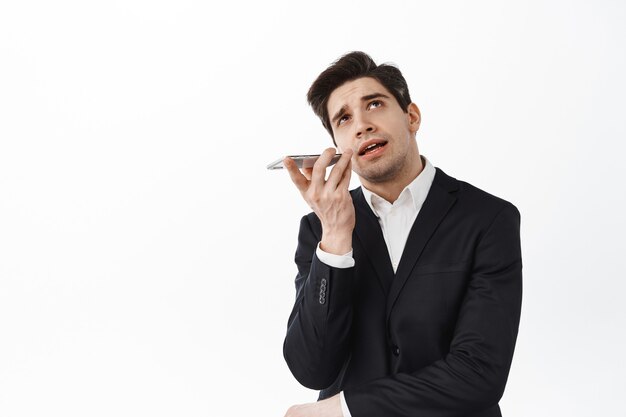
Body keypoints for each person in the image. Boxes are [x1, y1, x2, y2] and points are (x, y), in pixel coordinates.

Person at [281, 51, 522, 417]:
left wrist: (345, 408)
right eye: (344, 119)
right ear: (336, 149)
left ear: (412, 117)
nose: (361, 125)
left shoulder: (489, 219)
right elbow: (312, 368)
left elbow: (479, 374)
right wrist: (335, 240)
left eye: (374, 104)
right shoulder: (319, 229)